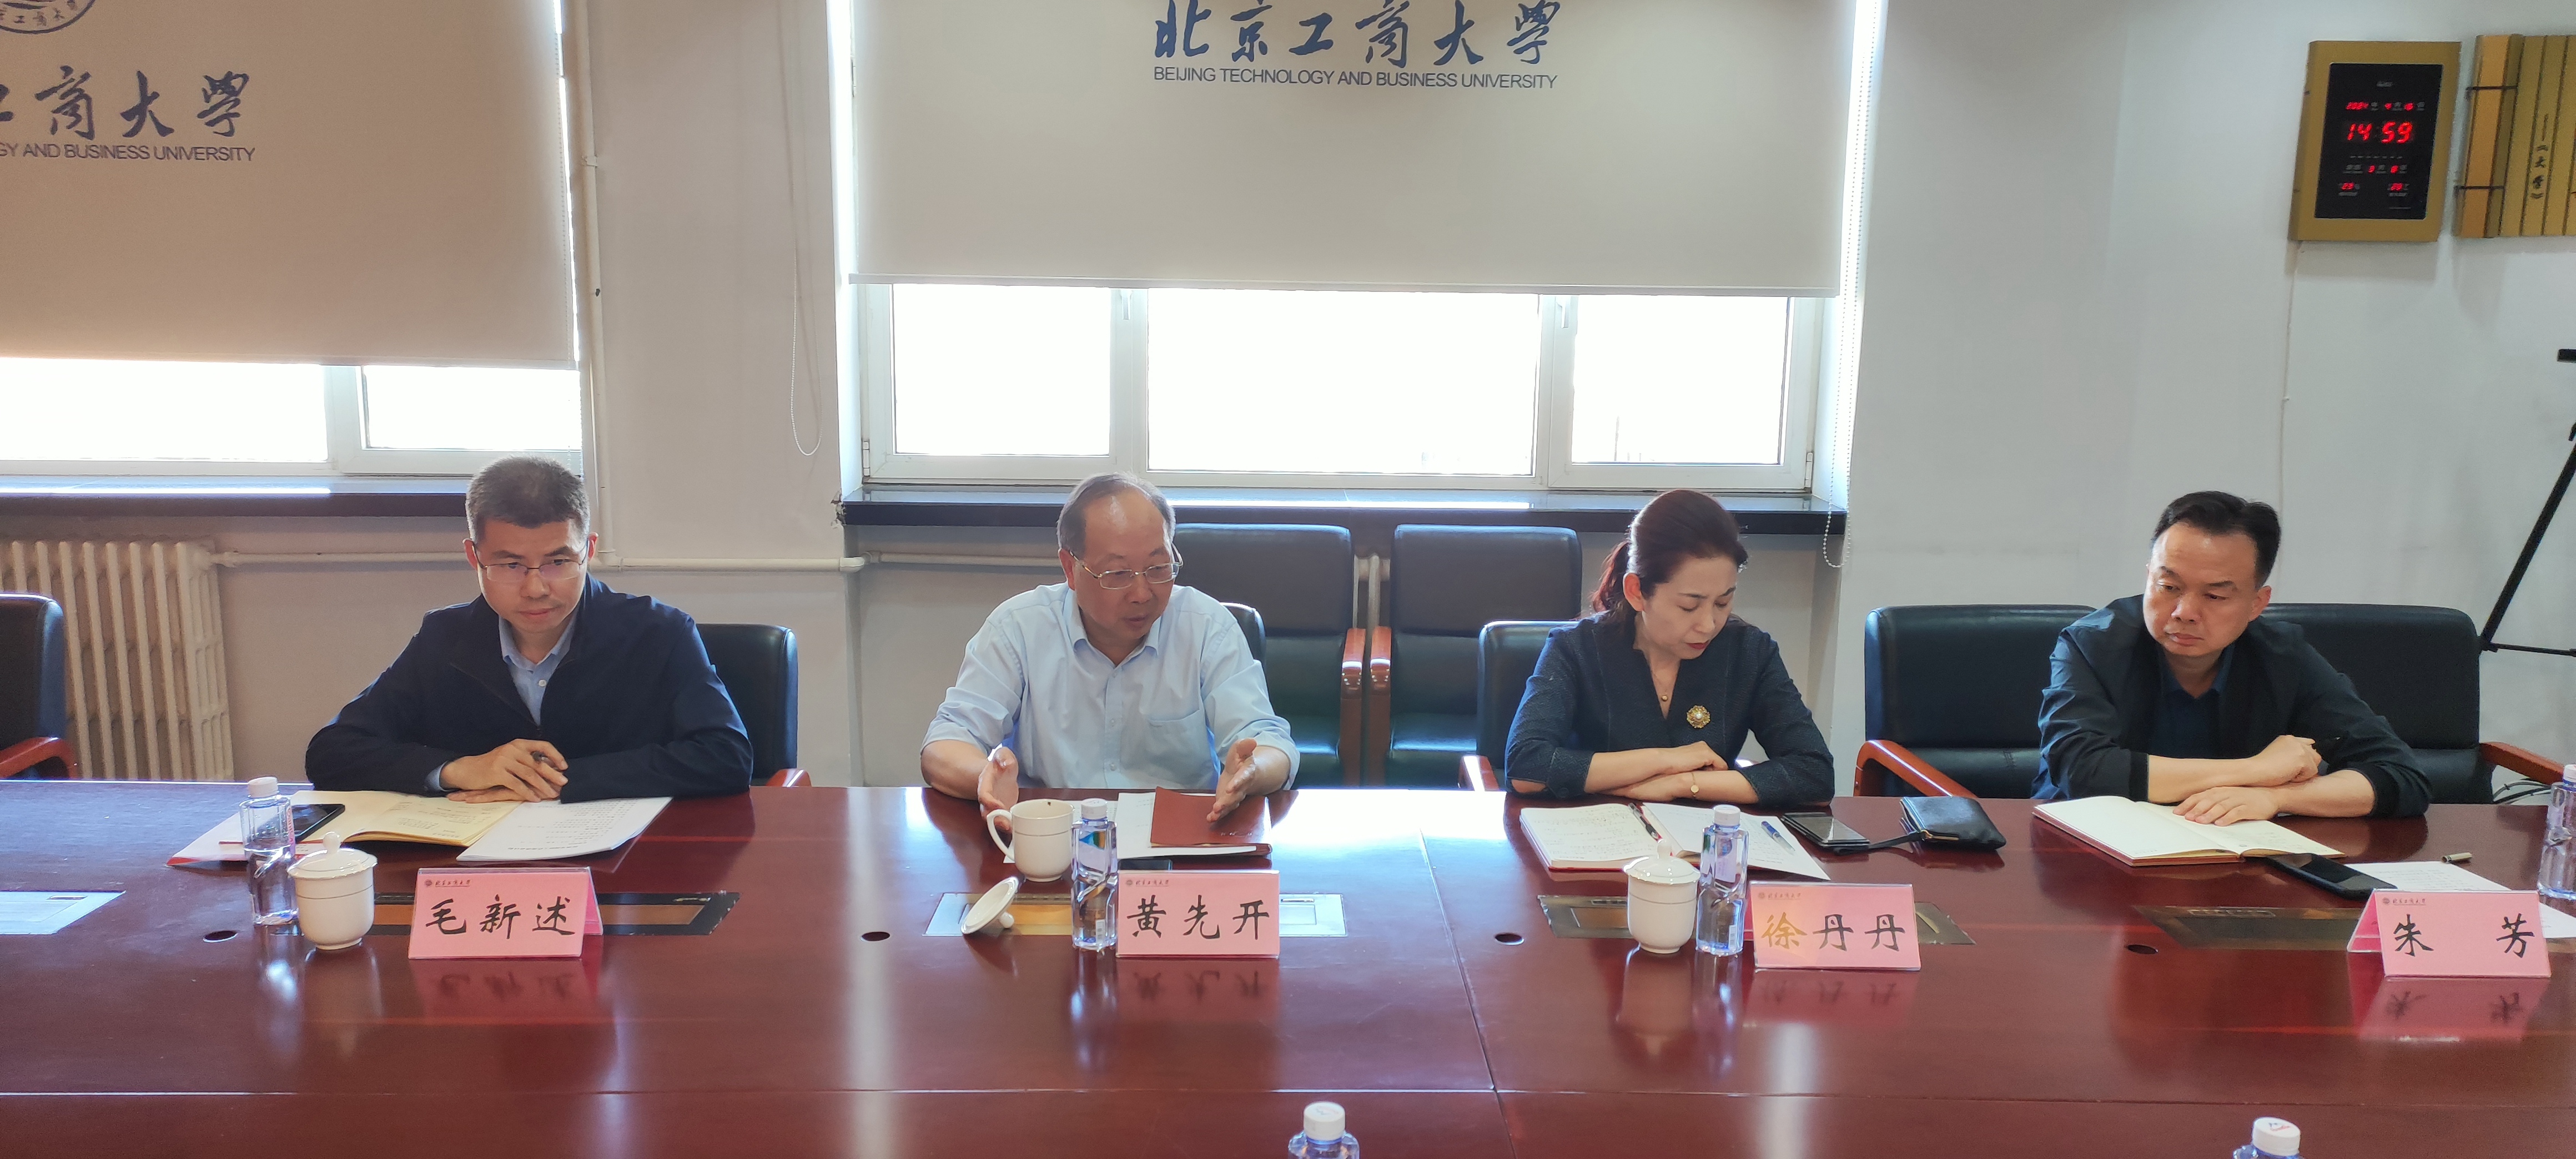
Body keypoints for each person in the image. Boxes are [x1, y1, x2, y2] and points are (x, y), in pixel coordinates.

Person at [306, 456, 752, 802]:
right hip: (477, 864)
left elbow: (726, 756)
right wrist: (459, 770)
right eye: (510, 565)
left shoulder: (659, 632)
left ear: (588, 550)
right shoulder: (444, 638)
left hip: (623, 861)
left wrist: (556, 780)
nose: (536, 589)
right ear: (474, 557)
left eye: (558, 561)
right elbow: (333, 752)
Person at [923, 472, 1295, 827]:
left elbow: (1268, 741)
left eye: (1158, 567)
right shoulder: (1018, 628)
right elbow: (946, 743)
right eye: (1118, 574)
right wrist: (985, 777)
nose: (1142, 593)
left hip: (1180, 837)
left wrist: (1253, 771)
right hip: (1053, 836)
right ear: (1070, 568)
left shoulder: (1207, 626)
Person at [2036, 491, 2429, 822]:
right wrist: (2257, 770)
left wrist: (2276, 797)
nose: (2184, 612)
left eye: (2215, 596)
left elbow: (2399, 775)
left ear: (2257, 603)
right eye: (2168, 586)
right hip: (2087, 846)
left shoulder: (2283, 657)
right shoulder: (2092, 645)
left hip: (2227, 853)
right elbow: (2084, 771)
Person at [1506, 490, 1833, 805]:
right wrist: (1668, 760)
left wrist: (1684, 784)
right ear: (1636, 592)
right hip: (1599, 832)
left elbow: (1815, 774)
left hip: (1704, 837)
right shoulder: (1575, 648)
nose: (1708, 625)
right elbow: (1527, 766)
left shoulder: (1749, 652)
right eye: (1689, 606)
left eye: (1723, 602)